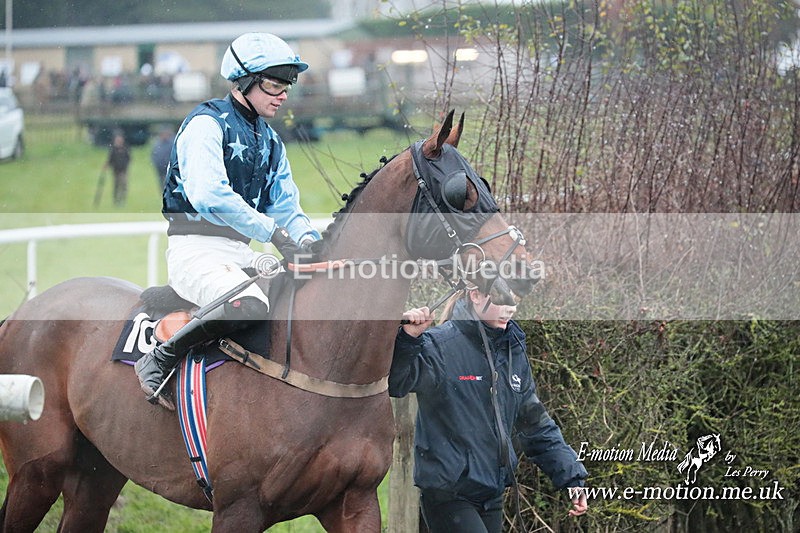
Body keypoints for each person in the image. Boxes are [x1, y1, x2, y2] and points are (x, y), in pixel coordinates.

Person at [134, 32, 320, 410]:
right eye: (273, 83)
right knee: (252, 305)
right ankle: (160, 357)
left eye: (287, 84)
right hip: (195, 250)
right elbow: (208, 195)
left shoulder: (270, 142)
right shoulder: (206, 124)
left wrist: (310, 240)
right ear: (244, 81)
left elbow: (286, 205)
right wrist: (273, 233)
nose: (283, 94)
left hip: (240, 255)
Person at [390, 286, 589, 532]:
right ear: (475, 295)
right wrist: (408, 339)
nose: (511, 308)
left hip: (491, 493)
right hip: (448, 495)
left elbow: (535, 424)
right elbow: (396, 383)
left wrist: (571, 477)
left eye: (514, 300)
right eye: (502, 299)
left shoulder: (512, 351)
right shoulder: (440, 345)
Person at [104, 132, 131, 206]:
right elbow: (110, 159)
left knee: (124, 185)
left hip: (123, 171)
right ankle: (116, 200)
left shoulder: (125, 148)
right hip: (115, 171)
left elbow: (129, 158)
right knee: (116, 186)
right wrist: (107, 165)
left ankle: (122, 200)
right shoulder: (113, 149)